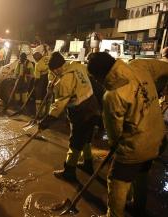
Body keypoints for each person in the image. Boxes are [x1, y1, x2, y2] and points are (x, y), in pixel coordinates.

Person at [87, 52, 167, 217]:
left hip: (135, 146)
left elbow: (115, 134)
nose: (96, 81)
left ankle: (114, 215)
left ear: (101, 75)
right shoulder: (139, 66)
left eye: (95, 77)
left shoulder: (112, 95)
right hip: (157, 137)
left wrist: (116, 148)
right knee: (141, 174)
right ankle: (139, 206)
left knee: (117, 180)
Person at [39, 52, 100, 181]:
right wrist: (53, 86)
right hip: (93, 107)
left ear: (57, 68)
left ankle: (69, 172)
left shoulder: (64, 81)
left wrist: (45, 122)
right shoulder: (77, 66)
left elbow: (58, 106)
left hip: (81, 113)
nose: (54, 74)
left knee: (75, 142)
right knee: (86, 138)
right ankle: (88, 164)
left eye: (54, 71)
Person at [33, 45, 50, 117]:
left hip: (42, 80)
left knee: (39, 96)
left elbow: (37, 78)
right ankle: (47, 113)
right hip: (50, 78)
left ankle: (39, 114)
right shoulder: (47, 58)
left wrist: (34, 84)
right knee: (47, 96)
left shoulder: (38, 65)